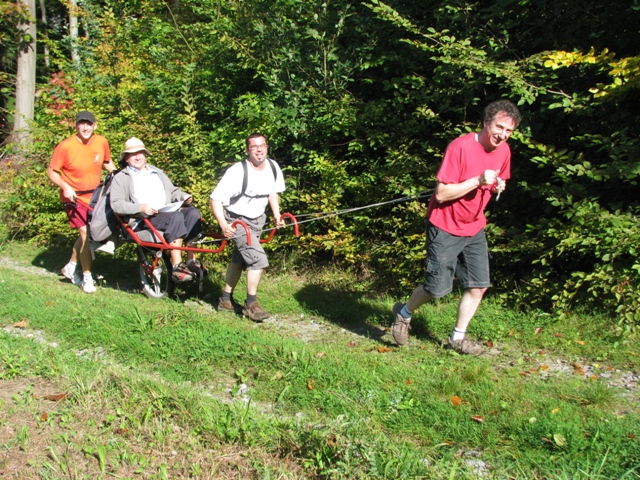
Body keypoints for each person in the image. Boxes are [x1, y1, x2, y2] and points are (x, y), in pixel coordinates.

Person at [391, 100, 522, 355]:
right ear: (486, 122)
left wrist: (498, 186)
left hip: (474, 227)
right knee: (436, 288)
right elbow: (441, 194)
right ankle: (404, 313)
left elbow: (499, 179)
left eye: (508, 131)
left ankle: (457, 338)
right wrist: (477, 180)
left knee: (478, 285)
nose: (503, 135)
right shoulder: (460, 147)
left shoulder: (504, 151)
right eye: (499, 127)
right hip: (445, 225)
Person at [210, 133, 286, 321]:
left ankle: (225, 299)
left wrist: (276, 215)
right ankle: (251, 304)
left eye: (262, 146)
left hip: (257, 219)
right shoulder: (237, 171)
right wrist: (223, 224)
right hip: (237, 219)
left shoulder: (273, 167)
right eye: (254, 147)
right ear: (247, 150)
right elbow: (215, 198)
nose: (259, 150)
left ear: (267, 147)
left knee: (240, 260)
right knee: (258, 260)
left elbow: (273, 192)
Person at [110, 137, 203, 283]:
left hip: (166, 211)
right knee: (175, 217)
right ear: (126, 158)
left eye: (140, 152)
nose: (138, 156)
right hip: (143, 218)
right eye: (133, 154)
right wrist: (140, 207)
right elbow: (116, 204)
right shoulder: (121, 178)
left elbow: (172, 192)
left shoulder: (157, 172)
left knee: (193, 213)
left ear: (145, 155)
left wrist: (183, 196)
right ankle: (177, 266)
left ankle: (191, 261)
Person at [47, 110, 115, 294]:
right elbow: (51, 171)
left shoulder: (101, 142)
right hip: (73, 197)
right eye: (81, 124)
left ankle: (71, 266)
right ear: (76, 126)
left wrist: (117, 177)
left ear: (95, 126)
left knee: (91, 234)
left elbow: (107, 162)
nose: (85, 127)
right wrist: (65, 187)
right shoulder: (65, 146)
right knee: (86, 234)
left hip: (95, 195)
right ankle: (87, 277)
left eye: (89, 124)